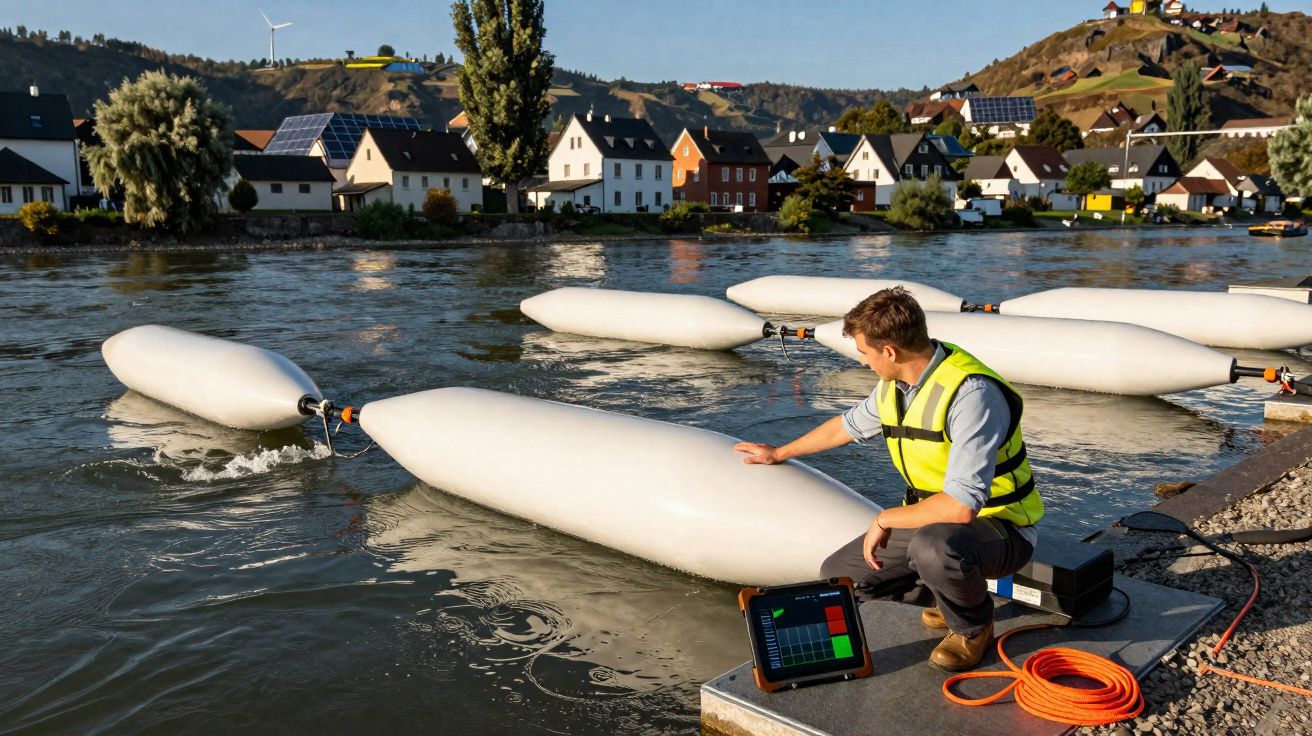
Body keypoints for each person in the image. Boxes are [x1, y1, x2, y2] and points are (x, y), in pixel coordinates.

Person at [734, 287, 1042, 672]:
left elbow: (962, 507)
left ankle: (973, 625)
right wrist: (779, 453)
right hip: (938, 522)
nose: (863, 361)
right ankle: (946, 598)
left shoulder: (972, 395)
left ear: (890, 352)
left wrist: (884, 518)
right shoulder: (894, 387)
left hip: (1003, 528)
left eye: (864, 352)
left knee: (934, 547)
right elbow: (844, 427)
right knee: (840, 577)